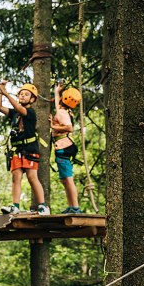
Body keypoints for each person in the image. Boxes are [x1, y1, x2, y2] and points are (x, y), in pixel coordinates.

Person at [0, 81, 50, 215]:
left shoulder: (30, 112)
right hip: (17, 150)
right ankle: (15, 206)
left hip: (30, 149)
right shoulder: (15, 113)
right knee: (16, 176)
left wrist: (6, 93)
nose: (23, 96)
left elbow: (20, 109)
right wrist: (0, 92)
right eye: (21, 94)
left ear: (32, 99)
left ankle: (43, 206)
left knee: (32, 177)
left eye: (26, 95)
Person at [50, 84, 82, 214]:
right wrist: (57, 92)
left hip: (63, 147)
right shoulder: (63, 111)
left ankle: (75, 207)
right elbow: (58, 106)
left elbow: (69, 128)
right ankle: (72, 206)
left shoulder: (62, 113)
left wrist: (53, 126)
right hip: (64, 147)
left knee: (68, 179)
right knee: (65, 179)